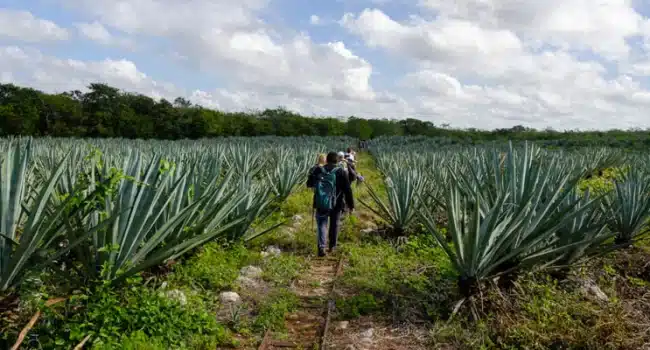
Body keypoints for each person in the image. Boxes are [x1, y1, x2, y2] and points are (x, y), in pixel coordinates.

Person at [306, 152, 354, 257]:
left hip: (321, 202)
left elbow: (308, 184)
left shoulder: (318, 170)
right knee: (334, 224)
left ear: (326, 160)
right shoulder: (341, 171)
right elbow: (348, 190)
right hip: (336, 203)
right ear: (337, 161)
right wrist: (351, 205)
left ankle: (322, 247)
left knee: (322, 224)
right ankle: (332, 247)